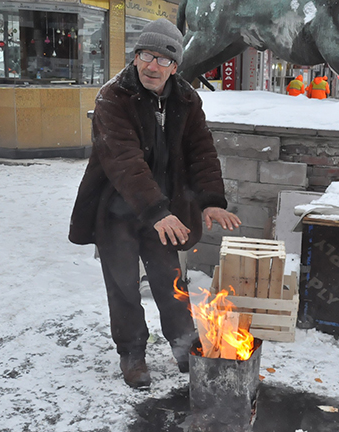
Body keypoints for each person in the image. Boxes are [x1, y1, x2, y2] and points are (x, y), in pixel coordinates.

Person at [68, 19, 241, 389]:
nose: (152, 66)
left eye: (163, 59)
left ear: (175, 67)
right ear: (135, 57)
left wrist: (210, 200)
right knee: (123, 284)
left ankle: (183, 346)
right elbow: (123, 160)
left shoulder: (186, 99)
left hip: (163, 210)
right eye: (146, 55)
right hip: (116, 210)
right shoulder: (113, 97)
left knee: (169, 281)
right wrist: (155, 211)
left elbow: (201, 152)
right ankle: (132, 352)